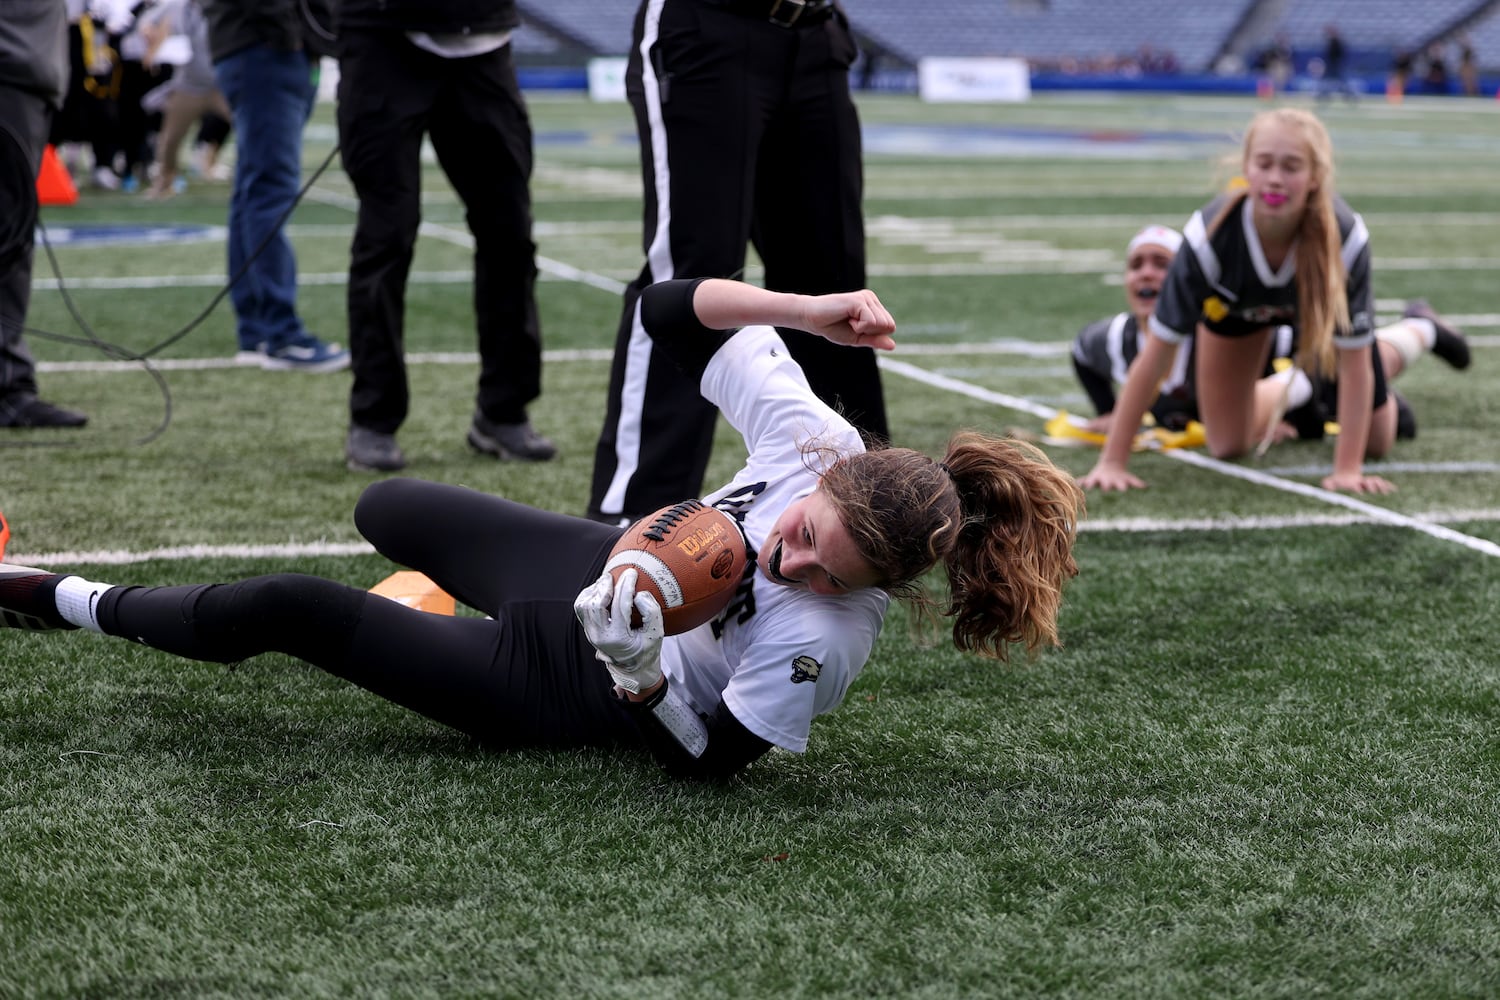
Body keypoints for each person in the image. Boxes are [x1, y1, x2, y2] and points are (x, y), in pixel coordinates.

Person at [0, 278, 1085, 781]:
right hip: (595, 555)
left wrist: (643, 675)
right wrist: (801, 313)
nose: (788, 555)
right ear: (830, 475)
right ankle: (417, 604)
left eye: (819, 570)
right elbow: (657, 310)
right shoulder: (814, 439)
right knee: (385, 508)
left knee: (290, 607)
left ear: (869, 588)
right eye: (804, 530)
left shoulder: (829, 638)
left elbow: (714, 770)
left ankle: (54, 597)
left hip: (570, 681)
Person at [586, 0, 889, 526]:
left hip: (817, 33)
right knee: (687, 274)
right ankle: (634, 517)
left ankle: (859, 510)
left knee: (834, 283)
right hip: (711, 25)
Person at [1079, 108, 1395, 495]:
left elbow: (1355, 362)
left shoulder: (1344, 239)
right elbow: (1157, 355)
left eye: (1291, 166)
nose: (1276, 178)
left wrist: (1347, 469)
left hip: (1319, 322)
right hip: (1237, 318)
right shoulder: (1209, 237)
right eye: (1264, 163)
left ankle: (1414, 334)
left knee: (1377, 443)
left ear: (1315, 177)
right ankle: (1306, 383)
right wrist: (1112, 461)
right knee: (1228, 445)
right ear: (1246, 167)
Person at [335, 0, 554, 473]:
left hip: (484, 43)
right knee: (386, 236)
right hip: (382, 39)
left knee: (510, 234)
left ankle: (503, 409)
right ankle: (373, 417)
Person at [1071, 224, 1471, 443]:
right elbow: (1081, 355)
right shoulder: (1114, 338)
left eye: (1161, 264)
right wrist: (1106, 408)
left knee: (1334, 376)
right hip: (1235, 414)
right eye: (1136, 264)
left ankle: (1421, 330)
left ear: (1182, 280)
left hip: (1300, 371)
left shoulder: (1213, 330)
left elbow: (1314, 352)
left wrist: (1282, 409)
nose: (1146, 273)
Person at [202, 0, 349, 371]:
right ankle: (280, 334)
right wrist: (290, 34)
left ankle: (258, 331)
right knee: (268, 190)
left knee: (254, 190)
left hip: (258, 46)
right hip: (266, 48)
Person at [0, 0, 89, 429]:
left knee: (11, 237)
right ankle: (6, 387)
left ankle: (9, 382)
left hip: (26, 69)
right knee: (7, 239)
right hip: (12, 65)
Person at [138, 0, 231, 199]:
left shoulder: (222, 6)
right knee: (170, 139)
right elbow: (146, 22)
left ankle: (264, 177)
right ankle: (164, 182)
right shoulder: (175, 8)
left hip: (221, 84)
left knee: (252, 126)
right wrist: (150, 32)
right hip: (188, 86)